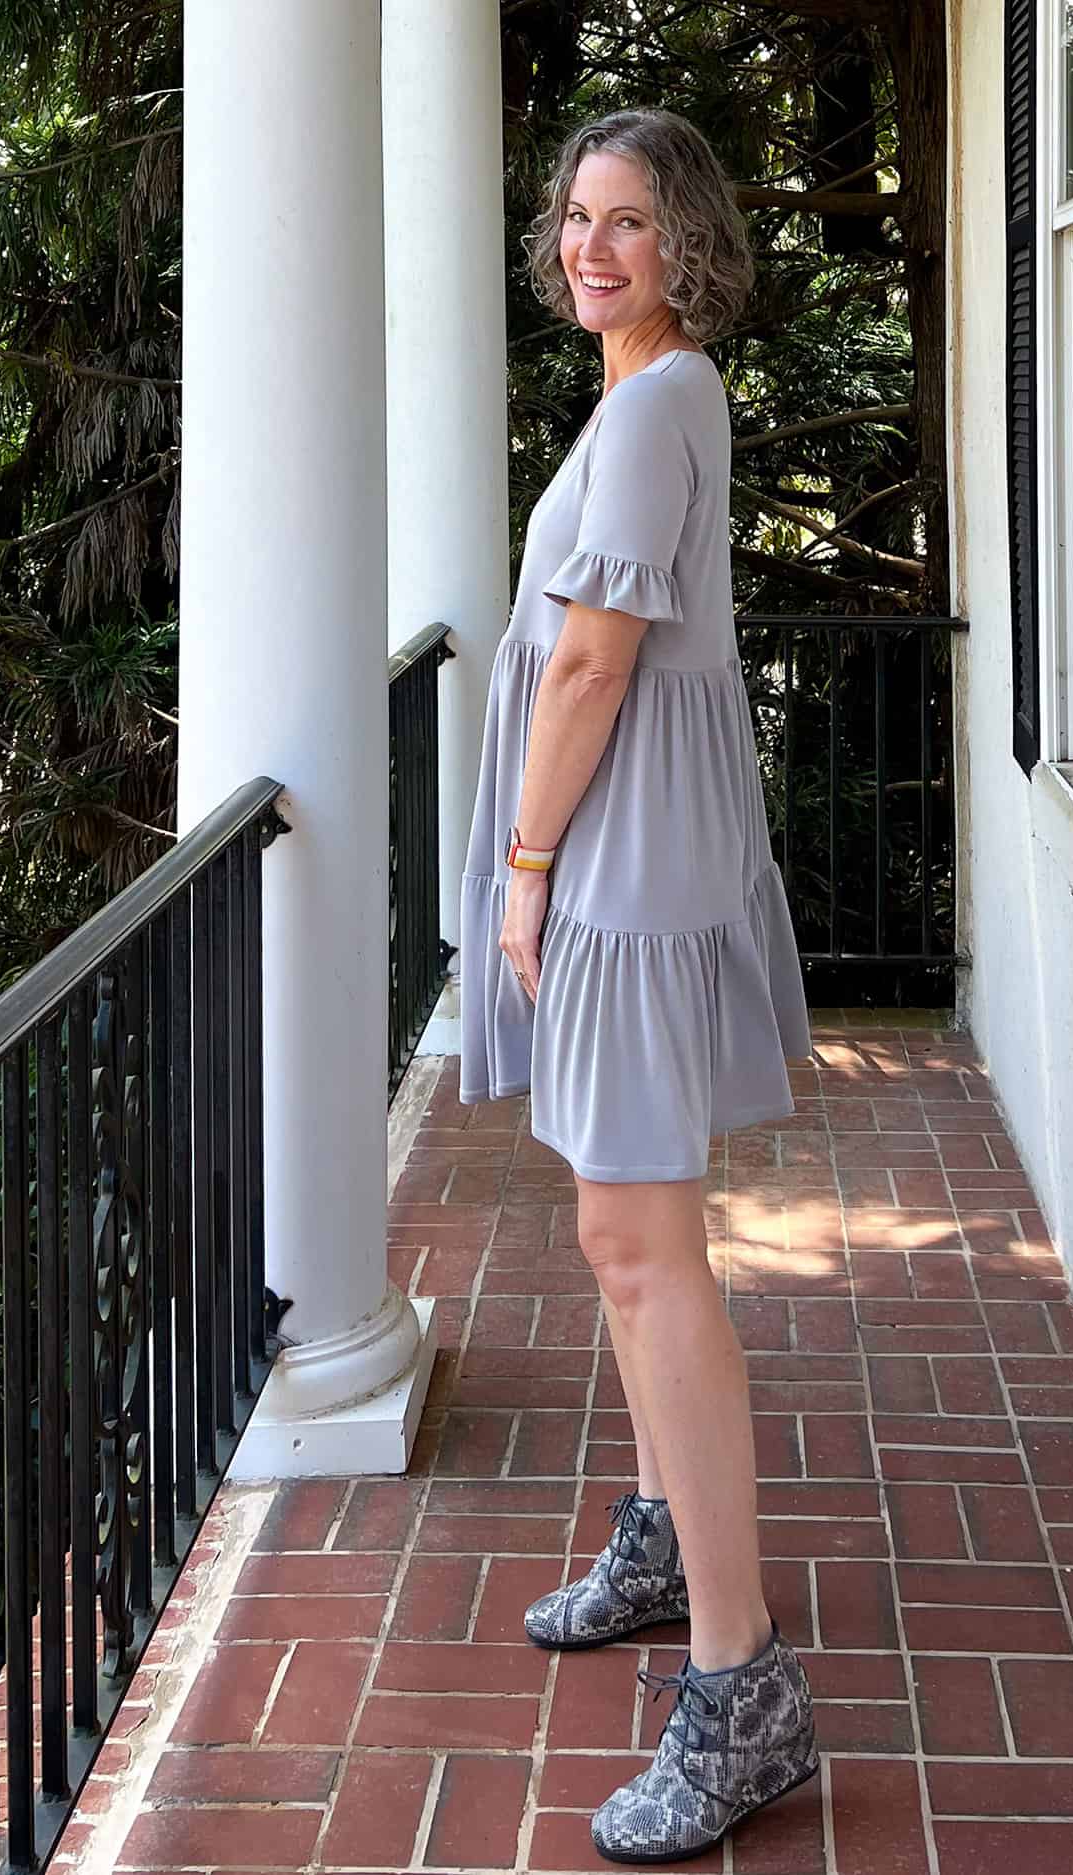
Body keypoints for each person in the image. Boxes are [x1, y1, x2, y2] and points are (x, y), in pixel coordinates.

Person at [455, 108, 818, 1864]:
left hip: (622, 853)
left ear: (688, 243)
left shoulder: (664, 399)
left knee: (639, 1241)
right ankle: (673, 1540)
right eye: (578, 218)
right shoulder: (642, 394)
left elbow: (592, 665)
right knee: (623, 1239)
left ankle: (743, 1691)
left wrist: (526, 865)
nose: (591, 248)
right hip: (624, 840)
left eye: (630, 221)